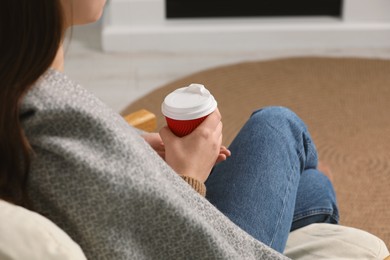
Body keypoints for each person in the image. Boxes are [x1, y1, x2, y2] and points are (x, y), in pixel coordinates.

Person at [0, 0, 339, 259]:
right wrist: (189, 175)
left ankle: (300, 182)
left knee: (310, 183)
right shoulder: (51, 121)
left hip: (162, 217)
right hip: (192, 236)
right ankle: (300, 181)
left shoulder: (25, 91)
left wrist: (131, 147)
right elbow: (163, 245)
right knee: (277, 126)